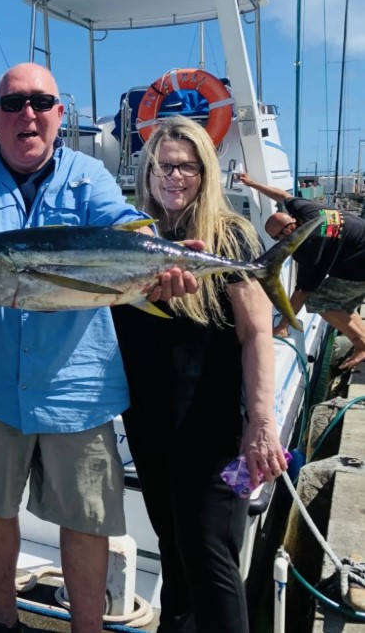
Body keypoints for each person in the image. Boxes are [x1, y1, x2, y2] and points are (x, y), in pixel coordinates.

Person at [0, 62, 197, 633]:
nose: (27, 113)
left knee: (88, 518)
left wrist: (156, 254)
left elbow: (122, 222)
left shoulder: (89, 174)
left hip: (77, 382)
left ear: (58, 114)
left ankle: (87, 629)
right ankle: (2, 620)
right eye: (13, 104)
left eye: (41, 101)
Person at [112, 117, 287, 633]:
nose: (174, 176)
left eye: (186, 166)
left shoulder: (227, 236)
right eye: (163, 165)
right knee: (172, 542)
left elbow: (257, 332)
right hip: (148, 424)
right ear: (146, 172)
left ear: (204, 173)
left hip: (212, 429)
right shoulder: (133, 237)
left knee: (210, 555)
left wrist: (261, 421)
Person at [236, 171, 365, 370]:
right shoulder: (305, 210)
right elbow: (282, 195)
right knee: (342, 304)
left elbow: (302, 292)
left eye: (277, 238)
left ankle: (361, 345)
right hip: (358, 252)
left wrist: (282, 327)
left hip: (359, 267)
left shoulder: (309, 247)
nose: (279, 243)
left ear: (288, 231)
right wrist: (252, 183)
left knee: (319, 301)